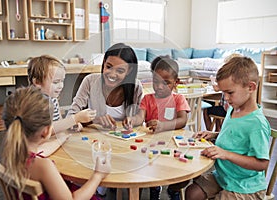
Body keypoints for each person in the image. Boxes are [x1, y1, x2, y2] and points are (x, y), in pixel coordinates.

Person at [1, 86, 111, 199]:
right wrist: (98, 175)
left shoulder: (11, 153)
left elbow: (42, 151)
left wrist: (63, 137)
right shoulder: (44, 167)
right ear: (46, 131)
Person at [185, 56, 271, 200]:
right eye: (223, 93)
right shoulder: (234, 109)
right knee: (192, 193)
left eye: (230, 93)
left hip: (246, 186)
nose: (225, 98)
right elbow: (235, 135)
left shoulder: (257, 123)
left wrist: (225, 154)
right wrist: (214, 134)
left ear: (251, 87)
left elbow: (262, 163)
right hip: (224, 176)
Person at [123, 55, 190, 200]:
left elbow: (183, 120)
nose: (159, 86)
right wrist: (132, 119)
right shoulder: (147, 99)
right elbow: (140, 117)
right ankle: (154, 187)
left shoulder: (178, 99)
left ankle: (174, 189)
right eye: (156, 81)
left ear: (175, 83)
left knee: (183, 174)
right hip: (151, 145)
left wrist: (163, 125)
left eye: (166, 83)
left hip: (174, 145)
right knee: (145, 165)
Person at [67, 43, 143, 129]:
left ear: (129, 71)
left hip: (124, 140)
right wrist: (95, 120)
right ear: (104, 63)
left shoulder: (136, 87)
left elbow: (141, 116)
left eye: (120, 71)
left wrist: (133, 120)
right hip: (94, 139)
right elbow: (70, 117)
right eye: (109, 67)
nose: (112, 74)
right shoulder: (90, 81)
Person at [28, 55, 96, 135]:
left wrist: (69, 124)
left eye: (62, 81)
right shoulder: (36, 102)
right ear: (37, 82)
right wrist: (75, 118)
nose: (61, 86)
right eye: (56, 82)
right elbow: (46, 131)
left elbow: (59, 122)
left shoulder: (52, 98)